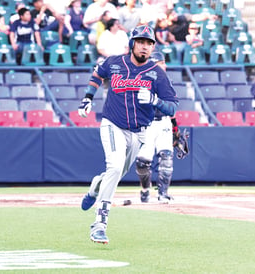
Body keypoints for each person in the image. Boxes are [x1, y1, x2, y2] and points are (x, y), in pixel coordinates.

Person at [78, 25, 178, 244]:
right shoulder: (114, 62)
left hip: (139, 133)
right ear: (133, 43)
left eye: (149, 43)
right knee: (114, 166)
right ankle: (100, 224)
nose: (145, 47)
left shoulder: (156, 73)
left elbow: (172, 107)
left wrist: (155, 101)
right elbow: (97, 74)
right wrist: (88, 97)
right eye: (141, 42)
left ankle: (96, 186)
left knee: (116, 173)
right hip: (113, 124)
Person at [136, 51, 188, 203]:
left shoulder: (166, 81)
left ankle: (163, 193)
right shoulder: (141, 80)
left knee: (166, 157)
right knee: (142, 162)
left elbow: (171, 106)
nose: (164, 66)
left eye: (163, 63)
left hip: (164, 121)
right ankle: (145, 190)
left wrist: (175, 127)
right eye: (160, 63)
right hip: (146, 124)